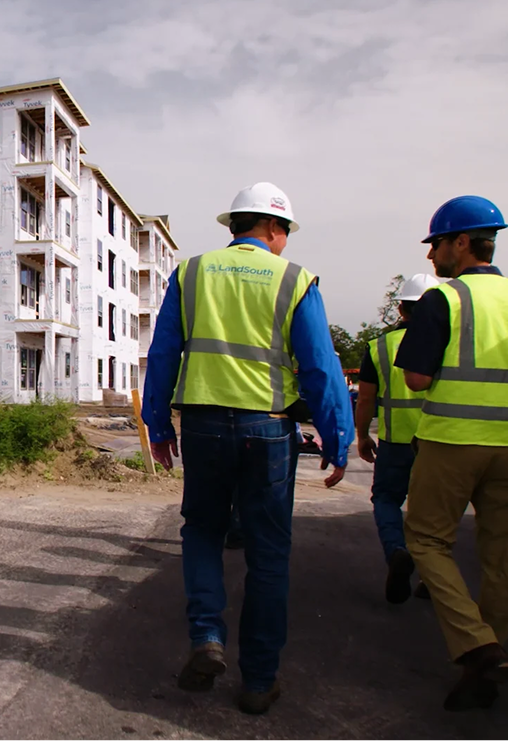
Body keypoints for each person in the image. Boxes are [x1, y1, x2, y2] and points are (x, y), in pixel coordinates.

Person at [142, 182, 353, 715]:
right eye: (285, 233)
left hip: (205, 426)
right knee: (268, 555)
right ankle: (259, 680)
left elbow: (163, 351)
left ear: (233, 227)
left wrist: (157, 424)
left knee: (204, 532)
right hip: (269, 430)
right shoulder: (294, 279)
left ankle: (208, 636)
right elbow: (321, 368)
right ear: (275, 230)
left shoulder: (191, 273)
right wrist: (338, 434)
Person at [394, 195, 508, 711]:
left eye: (435, 246)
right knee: (503, 555)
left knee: (426, 540)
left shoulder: (444, 300)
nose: (431, 258)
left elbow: (417, 377)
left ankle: (477, 644)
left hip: (453, 441)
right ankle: (491, 662)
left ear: (460, 242)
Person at [355, 273, 441, 604]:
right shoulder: (447, 344)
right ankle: (434, 574)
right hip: (437, 442)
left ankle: (396, 551)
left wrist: (363, 436)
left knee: (387, 500)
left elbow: (365, 399)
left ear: (401, 308)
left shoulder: (378, 346)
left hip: (395, 443)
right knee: (434, 510)